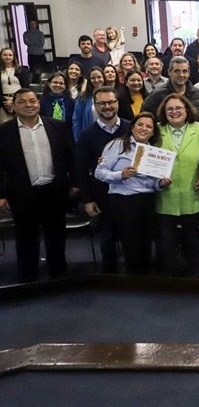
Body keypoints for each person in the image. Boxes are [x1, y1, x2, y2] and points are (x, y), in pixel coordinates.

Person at [0, 89, 75, 282]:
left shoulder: (57, 126)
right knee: (26, 236)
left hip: (54, 190)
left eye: (32, 101)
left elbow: (71, 157)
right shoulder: (4, 132)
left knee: (56, 234)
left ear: (38, 103)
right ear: (14, 106)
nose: (28, 105)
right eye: (23, 102)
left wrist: (74, 183)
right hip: (22, 193)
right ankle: (28, 276)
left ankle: (58, 271)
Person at [94, 112, 170, 275]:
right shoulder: (116, 145)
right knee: (130, 244)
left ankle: (146, 279)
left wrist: (161, 184)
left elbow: (154, 183)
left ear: (153, 131)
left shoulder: (154, 151)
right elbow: (99, 173)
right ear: (133, 127)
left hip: (147, 200)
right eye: (140, 124)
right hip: (123, 202)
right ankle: (133, 281)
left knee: (146, 242)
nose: (144, 128)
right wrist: (120, 175)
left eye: (149, 126)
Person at [75, 86, 131, 273]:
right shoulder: (86, 135)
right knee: (107, 241)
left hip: (130, 195)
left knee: (132, 239)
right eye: (102, 103)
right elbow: (81, 171)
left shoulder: (130, 128)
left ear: (117, 103)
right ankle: (111, 280)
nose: (107, 106)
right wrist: (88, 200)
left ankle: (136, 278)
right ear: (95, 106)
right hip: (102, 197)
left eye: (111, 102)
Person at [154, 93, 199, 276]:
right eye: (170, 109)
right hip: (165, 195)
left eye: (179, 108)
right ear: (164, 111)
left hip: (193, 194)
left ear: (187, 109)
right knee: (166, 243)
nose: (174, 112)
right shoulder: (155, 130)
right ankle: (169, 279)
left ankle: (193, 277)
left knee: (192, 240)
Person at [143, 57, 199, 123]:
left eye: (184, 71)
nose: (181, 75)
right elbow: (146, 118)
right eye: (177, 71)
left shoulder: (198, 94)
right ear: (169, 72)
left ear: (189, 73)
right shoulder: (157, 95)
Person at [72, 67, 106, 140]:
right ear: (89, 80)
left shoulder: (111, 95)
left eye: (99, 77)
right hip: (90, 136)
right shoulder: (82, 97)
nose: (96, 80)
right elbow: (77, 121)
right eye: (93, 78)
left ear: (104, 78)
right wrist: (79, 139)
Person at [1, 47, 31, 124]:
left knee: (22, 123)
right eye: (5, 55)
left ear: (14, 57)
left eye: (10, 55)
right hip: (3, 102)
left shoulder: (22, 70)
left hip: (20, 99)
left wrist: (13, 101)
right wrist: (6, 102)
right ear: (1, 56)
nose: (8, 57)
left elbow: (26, 88)